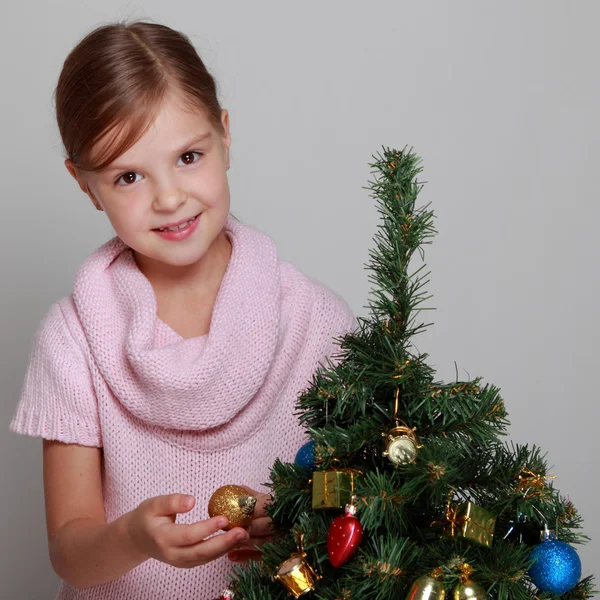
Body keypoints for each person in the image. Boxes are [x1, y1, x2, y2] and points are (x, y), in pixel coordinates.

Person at [9, 20, 356, 600]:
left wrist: (301, 515)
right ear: (85, 184)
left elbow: (373, 504)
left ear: (224, 136)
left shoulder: (315, 320)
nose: (169, 198)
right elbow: (71, 553)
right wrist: (133, 539)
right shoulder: (71, 340)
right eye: (128, 176)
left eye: (189, 156)